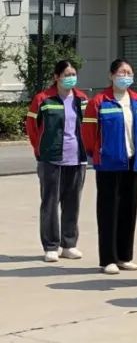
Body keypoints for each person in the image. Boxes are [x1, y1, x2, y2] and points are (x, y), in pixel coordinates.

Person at [83, 59, 137, 275]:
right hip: (108, 163)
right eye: (121, 72)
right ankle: (108, 258)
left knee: (129, 210)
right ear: (111, 76)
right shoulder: (99, 102)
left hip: (132, 162)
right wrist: (97, 153)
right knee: (108, 212)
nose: (125, 76)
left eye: (129, 72)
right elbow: (88, 134)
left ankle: (124, 256)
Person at [25, 60, 88, 263]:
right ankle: (51, 246)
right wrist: (40, 149)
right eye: (67, 74)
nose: (71, 78)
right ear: (56, 77)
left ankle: (69, 244)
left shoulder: (82, 99)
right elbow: (31, 127)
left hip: (77, 158)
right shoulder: (43, 99)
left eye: (73, 74)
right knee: (50, 203)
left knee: (72, 203)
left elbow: (89, 126)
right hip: (51, 159)